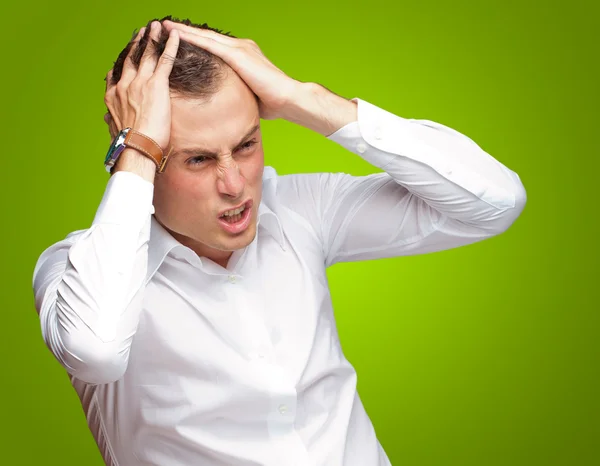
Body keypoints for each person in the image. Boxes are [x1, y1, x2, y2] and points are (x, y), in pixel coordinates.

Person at [32, 15, 527, 466]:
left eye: (246, 144)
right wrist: (137, 147)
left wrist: (302, 97)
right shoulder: (80, 274)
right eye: (197, 160)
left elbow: (495, 203)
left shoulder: (299, 208)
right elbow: (94, 352)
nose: (235, 184)